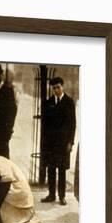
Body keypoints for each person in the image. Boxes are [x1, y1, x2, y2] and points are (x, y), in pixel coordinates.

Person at [41, 77, 77, 206]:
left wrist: (70, 142)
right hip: (50, 143)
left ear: (63, 87)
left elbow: (73, 124)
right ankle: (51, 195)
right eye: (54, 88)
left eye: (58, 87)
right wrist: (44, 143)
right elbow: (44, 125)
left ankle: (62, 196)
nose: (56, 90)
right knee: (50, 169)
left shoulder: (69, 102)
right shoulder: (48, 102)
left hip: (63, 143)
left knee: (61, 170)